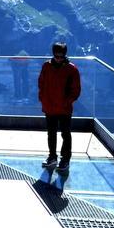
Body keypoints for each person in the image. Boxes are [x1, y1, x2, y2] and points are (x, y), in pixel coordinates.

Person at [38, 42, 82, 172]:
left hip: (64, 108)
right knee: (51, 133)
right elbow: (41, 83)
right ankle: (52, 157)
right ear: (53, 54)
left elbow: (76, 90)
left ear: (65, 55)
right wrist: (43, 99)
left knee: (65, 134)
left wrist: (67, 102)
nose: (58, 58)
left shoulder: (72, 69)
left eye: (61, 56)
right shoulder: (46, 66)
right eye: (56, 56)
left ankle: (65, 159)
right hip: (50, 107)